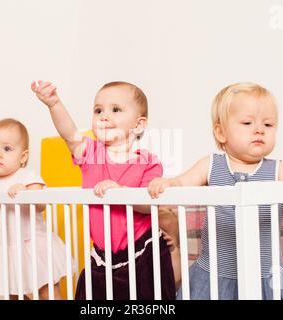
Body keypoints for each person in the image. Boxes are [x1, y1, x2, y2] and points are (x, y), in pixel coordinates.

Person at [148, 82, 283, 300]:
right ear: (220, 133)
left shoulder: (278, 169)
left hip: (265, 274)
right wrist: (169, 183)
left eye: (268, 124)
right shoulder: (210, 165)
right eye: (247, 122)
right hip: (214, 274)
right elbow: (181, 183)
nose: (259, 130)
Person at [31, 80, 176, 299]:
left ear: (138, 125)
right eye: (98, 110)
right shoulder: (92, 154)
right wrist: (54, 103)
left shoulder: (148, 162)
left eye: (115, 109)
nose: (104, 116)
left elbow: (150, 204)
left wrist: (121, 192)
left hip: (143, 254)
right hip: (102, 255)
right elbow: (69, 135)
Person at [0, 118, 68, 300]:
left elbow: (40, 203)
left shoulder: (27, 176)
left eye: (7, 149)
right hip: (7, 250)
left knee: (47, 290)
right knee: (12, 294)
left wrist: (26, 192)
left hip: (34, 246)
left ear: (23, 157)